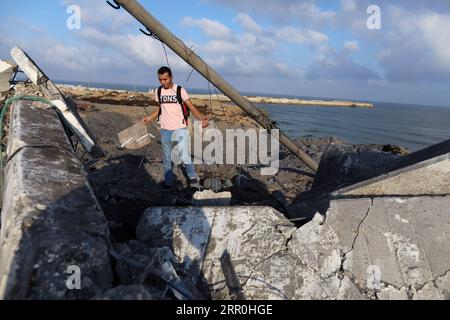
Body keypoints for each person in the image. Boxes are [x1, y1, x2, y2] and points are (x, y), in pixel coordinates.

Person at [143, 66, 208, 190]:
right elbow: (160, 108)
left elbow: (191, 107)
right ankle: (168, 183)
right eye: (160, 79)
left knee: (184, 156)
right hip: (165, 129)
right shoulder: (159, 91)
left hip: (180, 128)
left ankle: (193, 180)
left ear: (171, 77)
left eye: (165, 79)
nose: (163, 82)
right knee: (167, 158)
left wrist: (202, 118)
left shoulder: (180, 90)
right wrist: (149, 117)